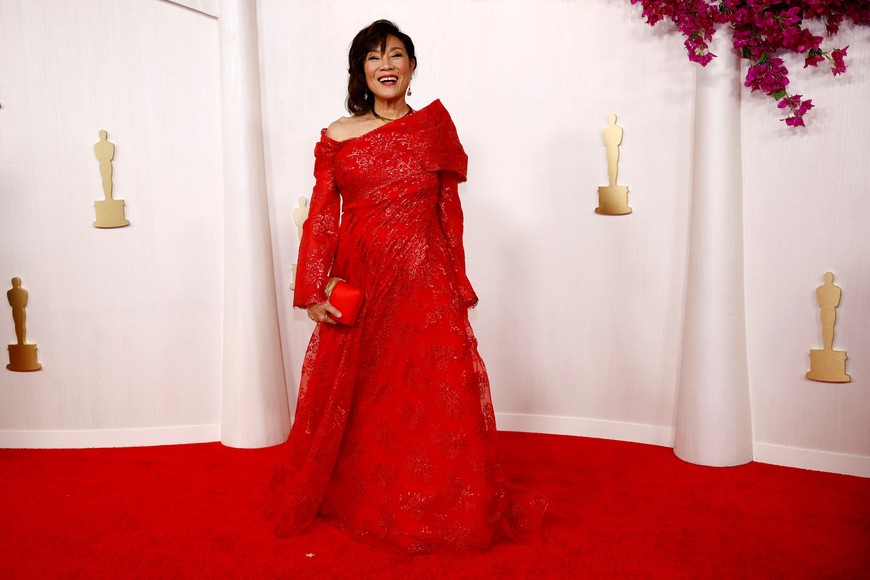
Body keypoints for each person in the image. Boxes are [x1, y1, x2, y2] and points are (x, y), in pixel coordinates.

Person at [272, 19, 547, 553]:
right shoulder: (336, 135)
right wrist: (312, 291)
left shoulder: (433, 129)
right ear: (361, 73)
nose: (386, 66)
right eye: (374, 58)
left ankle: (437, 502)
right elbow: (323, 219)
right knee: (365, 393)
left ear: (412, 66)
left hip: (425, 284)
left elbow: (450, 214)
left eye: (396, 55)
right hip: (364, 284)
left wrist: (458, 284)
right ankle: (365, 493)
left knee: (429, 396)